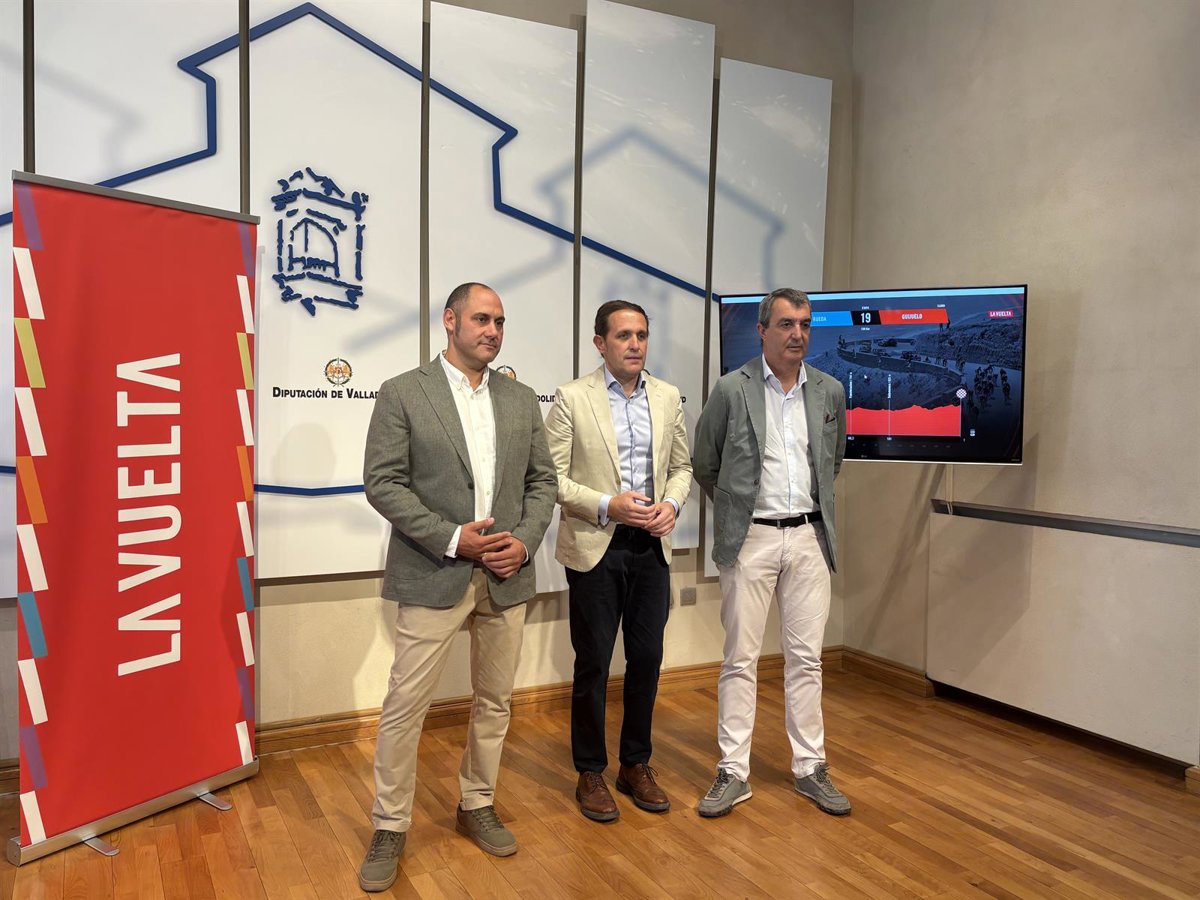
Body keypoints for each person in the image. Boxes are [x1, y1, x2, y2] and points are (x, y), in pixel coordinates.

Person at [358, 282, 556, 892]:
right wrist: (452, 538)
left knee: (495, 701)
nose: (493, 331)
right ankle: (390, 825)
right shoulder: (403, 392)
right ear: (450, 321)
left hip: (506, 575)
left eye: (500, 321)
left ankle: (477, 802)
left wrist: (525, 540)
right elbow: (383, 482)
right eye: (481, 319)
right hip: (433, 569)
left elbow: (542, 482)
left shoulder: (521, 399)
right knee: (405, 706)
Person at [691, 287, 850, 819]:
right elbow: (705, 463)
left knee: (807, 659)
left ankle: (810, 767)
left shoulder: (829, 391)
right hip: (750, 538)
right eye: (786, 324)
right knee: (740, 659)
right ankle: (733, 772)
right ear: (762, 331)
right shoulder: (730, 389)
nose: (797, 334)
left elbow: (832, 462)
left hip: (808, 536)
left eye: (804, 324)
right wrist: (740, 509)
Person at [543, 300, 692, 822]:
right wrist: (609, 504)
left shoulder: (668, 396)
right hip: (595, 546)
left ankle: (635, 764)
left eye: (642, 335)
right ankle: (590, 770)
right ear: (600, 343)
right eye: (624, 335)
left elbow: (682, 467)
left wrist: (671, 504)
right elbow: (551, 478)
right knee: (594, 662)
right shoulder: (571, 398)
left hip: (651, 546)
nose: (635, 344)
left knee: (647, 659)